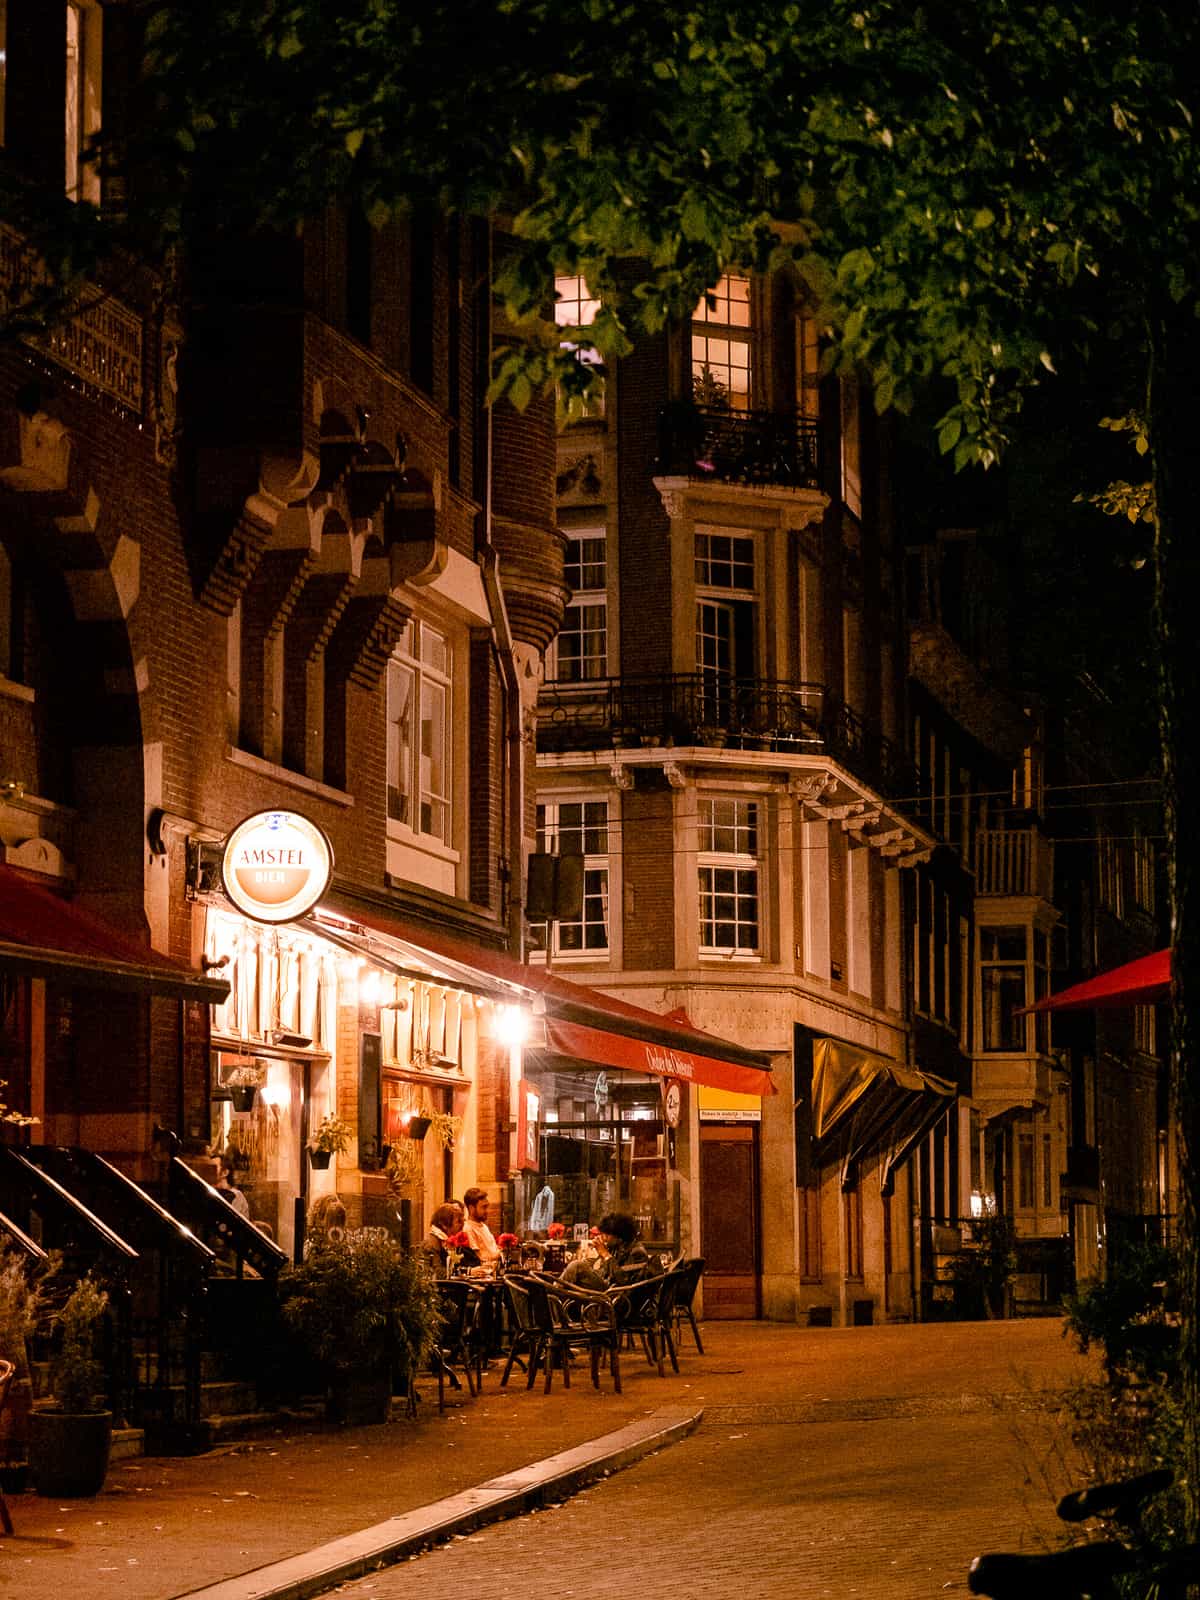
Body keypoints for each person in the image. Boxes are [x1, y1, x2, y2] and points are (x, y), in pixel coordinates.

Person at [560, 1212, 652, 1291]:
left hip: (613, 1293)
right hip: (606, 1286)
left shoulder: (637, 1252)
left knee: (577, 1265)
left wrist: (605, 1254)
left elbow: (623, 1279)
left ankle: (554, 1294)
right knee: (576, 1269)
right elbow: (602, 1271)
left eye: (607, 1235)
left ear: (619, 1237)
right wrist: (598, 1256)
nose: (604, 1238)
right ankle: (554, 1296)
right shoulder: (616, 1247)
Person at [421, 1202, 479, 1273]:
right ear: (444, 1224)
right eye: (459, 1222)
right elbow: (437, 1273)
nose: (463, 1225)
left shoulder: (447, 1240)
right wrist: (467, 1271)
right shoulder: (431, 1245)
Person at [461, 1186, 501, 1268]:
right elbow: (479, 1258)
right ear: (472, 1208)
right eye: (484, 1207)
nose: (487, 1211)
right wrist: (501, 1253)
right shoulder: (468, 1229)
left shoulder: (484, 1226)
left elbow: (492, 1250)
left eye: (487, 1207)